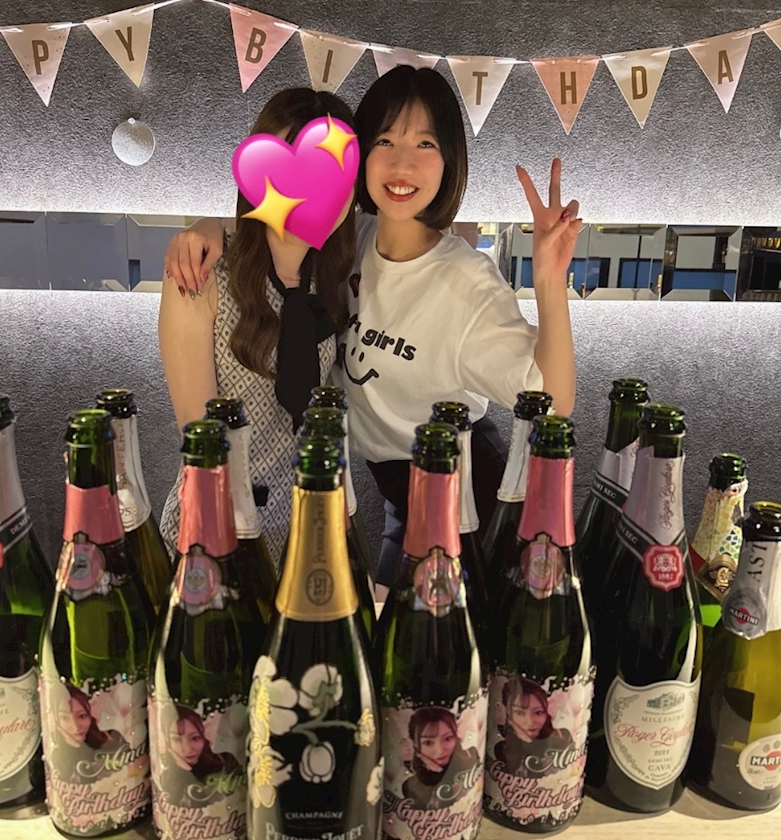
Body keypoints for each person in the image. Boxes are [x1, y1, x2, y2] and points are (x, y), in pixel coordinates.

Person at [164, 67, 580, 591]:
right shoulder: (345, 246)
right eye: (385, 140)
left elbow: (551, 401)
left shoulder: (466, 282)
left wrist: (549, 281)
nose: (403, 162)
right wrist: (204, 228)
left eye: (426, 143)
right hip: (325, 505)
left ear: (449, 160)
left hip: (458, 490)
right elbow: (277, 218)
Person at [157, 88, 356, 569]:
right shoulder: (203, 275)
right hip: (217, 535)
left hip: (306, 536)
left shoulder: (334, 279)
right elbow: (201, 441)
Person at [158, 704, 244, 808]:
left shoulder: (226, 761)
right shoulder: (166, 778)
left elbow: (211, 809)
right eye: (177, 739)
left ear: (203, 738)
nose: (187, 749)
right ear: (167, 742)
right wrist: (186, 772)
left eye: (195, 738)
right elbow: (196, 809)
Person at [402, 706, 481, 810]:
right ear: (415, 744)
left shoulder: (471, 762)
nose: (440, 750)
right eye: (428, 743)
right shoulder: (410, 785)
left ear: (456, 737)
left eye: (447, 738)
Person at [48, 683, 128, 784]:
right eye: (64, 718)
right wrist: (77, 748)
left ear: (90, 715)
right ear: (55, 719)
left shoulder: (114, 737)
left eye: (82, 716)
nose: (75, 727)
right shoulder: (56, 754)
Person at [494, 677, 573, 778]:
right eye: (519, 713)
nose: (530, 722)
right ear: (508, 712)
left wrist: (528, 741)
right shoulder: (502, 748)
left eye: (538, 712)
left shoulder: (562, 737)